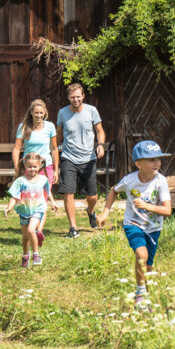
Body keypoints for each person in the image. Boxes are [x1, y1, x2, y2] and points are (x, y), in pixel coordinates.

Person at [97, 140, 172, 307]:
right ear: (139, 163)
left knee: (149, 265)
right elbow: (113, 191)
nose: (157, 163)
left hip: (153, 228)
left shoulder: (161, 181)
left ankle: (148, 294)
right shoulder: (129, 180)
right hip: (133, 224)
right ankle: (140, 292)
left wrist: (147, 206)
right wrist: (104, 213)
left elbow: (167, 210)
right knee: (141, 255)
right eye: (152, 160)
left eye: (159, 159)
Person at [56, 83, 106, 238]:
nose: (75, 99)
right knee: (68, 193)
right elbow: (57, 135)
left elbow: (100, 131)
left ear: (83, 96)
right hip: (68, 157)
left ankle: (90, 210)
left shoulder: (92, 111)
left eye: (78, 96)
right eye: (72, 97)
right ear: (68, 97)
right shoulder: (62, 113)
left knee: (92, 196)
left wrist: (101, 145)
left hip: (88, 158)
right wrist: (54, 151)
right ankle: (73, 228)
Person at [12, 99, 58, 247]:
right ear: (31, 112)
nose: (39, 115)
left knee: (43, 199)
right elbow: (17, 148)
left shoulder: (50, 126)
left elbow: (54, 148)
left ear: (45, 113)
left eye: (41, 113)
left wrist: (56, 169)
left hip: (46, 167)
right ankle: (33, 229)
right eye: (36, 112)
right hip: (30, 168)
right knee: (31, 199)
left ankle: (38, 232)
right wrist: (17, 167)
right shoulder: (24, 127)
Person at [3, 152, 53, 268]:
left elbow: (48, 192)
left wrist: (53, 202)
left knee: (31, 230)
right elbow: (14, 197)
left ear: (40, 166)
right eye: (29, 166)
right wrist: (9, 208)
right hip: (25, 211)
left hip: (38, 209)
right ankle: (25, 256)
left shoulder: (43, 179)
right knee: (25, 237)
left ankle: (36, 255)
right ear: (25, 166)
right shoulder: (21, 181)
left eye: (35, 167)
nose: (32, 169)